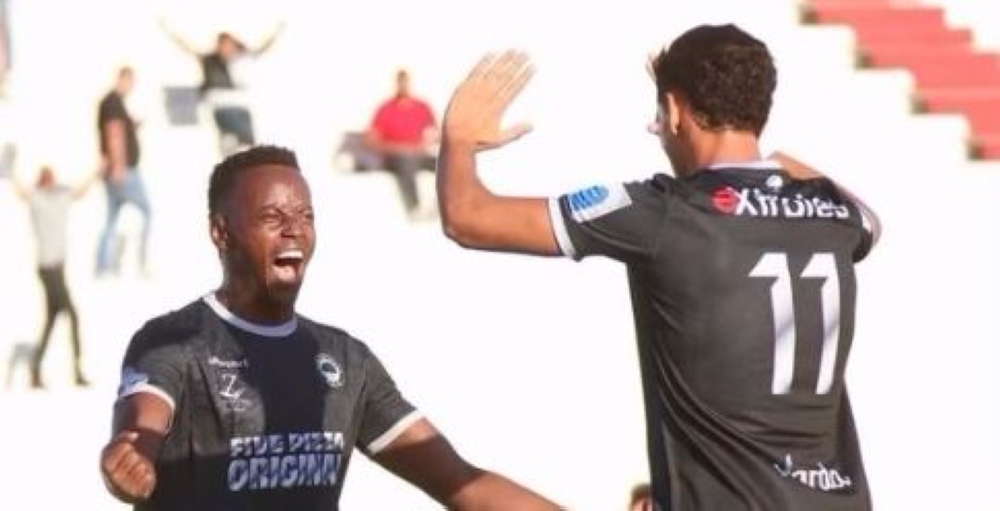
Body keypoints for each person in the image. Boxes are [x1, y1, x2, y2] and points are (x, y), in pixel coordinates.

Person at [436, 25, 881, 510]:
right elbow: (870, 221)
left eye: (660, 113)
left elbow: (468, 218)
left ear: (674, 109)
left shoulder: (667, 212)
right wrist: (762, 154)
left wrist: (458, 137)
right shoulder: (834, 214)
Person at [98, 145, 559, 510]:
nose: (294, 230)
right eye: (273, 218)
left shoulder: (345, 360)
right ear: (221, 233)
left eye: (306, 217)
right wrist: (130, 458)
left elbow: (460, 482)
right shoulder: (174, 340)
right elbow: (141, 427)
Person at [6, 165, 97, 388]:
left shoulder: (61, 196)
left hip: (58, 267)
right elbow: (21, 192)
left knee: (51, 319)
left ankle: (35, 370)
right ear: (40, 181)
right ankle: (76, 372)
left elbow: (80, 191)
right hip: (48, 269)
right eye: (45, 178)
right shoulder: (37, 199)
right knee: (72, 315)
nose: (49, 181)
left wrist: (97, 170)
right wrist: (10, 172)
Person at [161, 20, 284, 156]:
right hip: (222, 106)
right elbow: (187, 48)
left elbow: (262, 49)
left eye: (228, 45)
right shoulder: (210, 61)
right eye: (223, 45)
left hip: (240, 106)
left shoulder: (241, 59)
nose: (226, 48)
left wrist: (277, 32)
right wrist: (169, 30)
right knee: (229, 140)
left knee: (247, 143)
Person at [96, 65, 153, 277]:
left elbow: (119, 131)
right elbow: (114, 134)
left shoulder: (115, 103)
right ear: (122, 79)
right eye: (130, 82)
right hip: (124, 169)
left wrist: (132, 127)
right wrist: (118, 167)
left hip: (118, 168)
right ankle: (139, 263)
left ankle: (104, 265)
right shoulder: (112, 102)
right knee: (146, 212)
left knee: (112, 219)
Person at [365, 68, 439, 220]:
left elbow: (435, 133)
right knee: (406, 161)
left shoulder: (422, 106)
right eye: (400, 82)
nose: (403, 86)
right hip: (395, 156)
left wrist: (423, 145)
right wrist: (399, 149)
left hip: (418, 153)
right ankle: (413, 208)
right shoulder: (385, 108)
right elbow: (372, 140)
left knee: (446, 164)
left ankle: (441, 206)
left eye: (406, 82)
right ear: (396, 84)